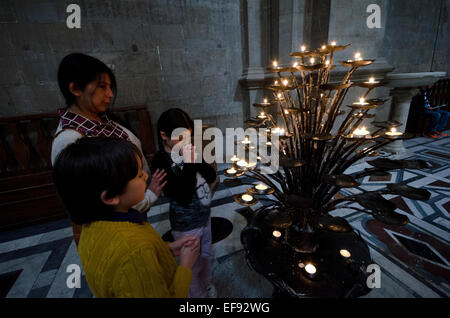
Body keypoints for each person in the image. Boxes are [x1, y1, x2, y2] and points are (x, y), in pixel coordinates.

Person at [53, 137, 200, 297]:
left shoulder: (92, 227)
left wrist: (165, 250)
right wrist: (186, 266)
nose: (145, 176)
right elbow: (133, 258)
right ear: (110, 197)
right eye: (137, 175)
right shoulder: (134, 252)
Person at [52, 53, 166, 244]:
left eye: (110, 87)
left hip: (134, 211)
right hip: (117, 231)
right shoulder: (70, 141)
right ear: (75, 88)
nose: (111, 94)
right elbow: (94, 208)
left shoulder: (101, 117)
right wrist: (149, 196)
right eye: (102, 87)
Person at [151, 108, 218, 298]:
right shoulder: (160, 161)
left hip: (204, 218)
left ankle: (205, 287)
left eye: (188, 137)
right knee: (191, 267)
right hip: (186, 226)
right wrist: (189, 163)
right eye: (180, 138)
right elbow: (182, 195)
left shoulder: (188, 152)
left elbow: (211, 175)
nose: (185, 142)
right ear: (164, 135)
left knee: (206, 257)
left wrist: (196, 158)